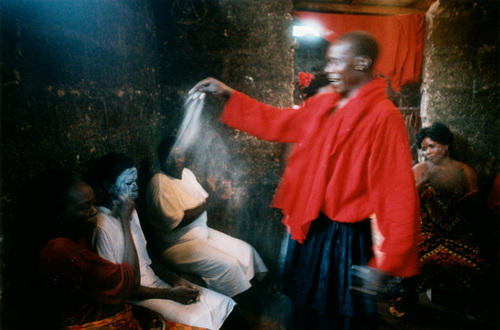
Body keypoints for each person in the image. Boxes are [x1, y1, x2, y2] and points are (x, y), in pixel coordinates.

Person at [192, 30, 419, 329]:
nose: (329, 70)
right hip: (312, 227)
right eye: (329, 62)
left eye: (338, 62)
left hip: (344, 239)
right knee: (302, 309)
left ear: (362, 62)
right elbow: (279, 122)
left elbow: (397, 194)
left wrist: (387, 262)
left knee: (337, 318)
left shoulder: (383, 116)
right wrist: (228, 94)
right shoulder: (326, 104)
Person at [89, 153, 236, 329]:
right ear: (109, 186)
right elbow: (124, 290)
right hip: (137, 298)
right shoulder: (102, 226)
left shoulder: (130, 212)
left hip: (157, 284)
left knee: (224, 304)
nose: (136, 187)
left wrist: (176, 281)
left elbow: (147, 259)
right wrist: (170, 294)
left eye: (136, 181)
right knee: (200, 321)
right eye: (128, 183)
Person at [37, 170, 161, 329]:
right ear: (60, 213)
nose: (94, 211)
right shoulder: (60, 250)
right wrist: (124, 221)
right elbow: (130, 283)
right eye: (85, 207)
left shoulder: (78, 238)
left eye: (94, 204)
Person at [146, 137, 268, 298]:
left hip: (202, 234)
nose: (176, 161)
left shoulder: (187, 174)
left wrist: (219, 196)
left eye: (179, 156)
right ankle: (236, 309)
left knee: (246, 251)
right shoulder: (159, 182)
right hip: (176, 245)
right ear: (161, 159)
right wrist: (211, 201)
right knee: (229, 265)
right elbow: (176, 221)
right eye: (170, 157)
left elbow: (204, 202)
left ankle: (256, 298)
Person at [410, 123, 486, 307]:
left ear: (446, 146)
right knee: (417, 259)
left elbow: (475, 205)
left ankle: (462, 303)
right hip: (426, 232)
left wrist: (464, 195)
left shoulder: (463, 170)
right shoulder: (419, 170)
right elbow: (407, 203)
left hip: (456, 232)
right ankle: (407, 298)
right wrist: (425, 179)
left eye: (432, 146)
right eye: (424, 148)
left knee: (476, 262)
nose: (428, 152)